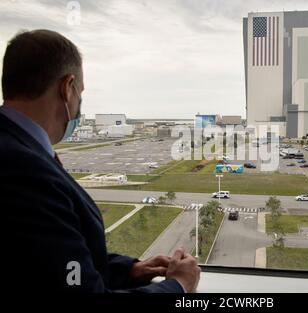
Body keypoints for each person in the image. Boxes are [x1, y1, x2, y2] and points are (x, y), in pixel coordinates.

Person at [0, 30, 201, 293]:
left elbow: (48, 264)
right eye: (80, 93)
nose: (80, 104)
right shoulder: (25, 171)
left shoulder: (16, 147)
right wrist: (179, 286)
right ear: (67, 88)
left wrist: (128, 270)